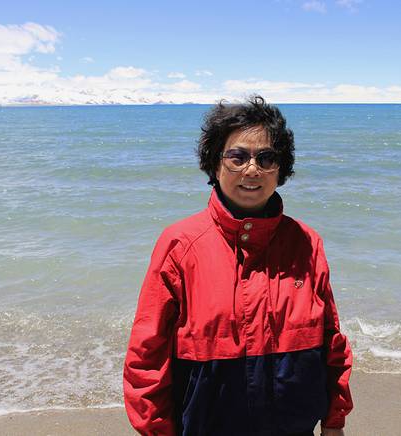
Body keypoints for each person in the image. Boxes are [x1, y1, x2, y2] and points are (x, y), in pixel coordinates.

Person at [123, 95, 353, 436]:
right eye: (238, 156)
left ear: (281, 168)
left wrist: (334, 421)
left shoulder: (306, 243)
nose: (252, 169)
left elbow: (331, 341)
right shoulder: (180, 245)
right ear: (215, 164)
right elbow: (147, 354)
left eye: (266, 158)